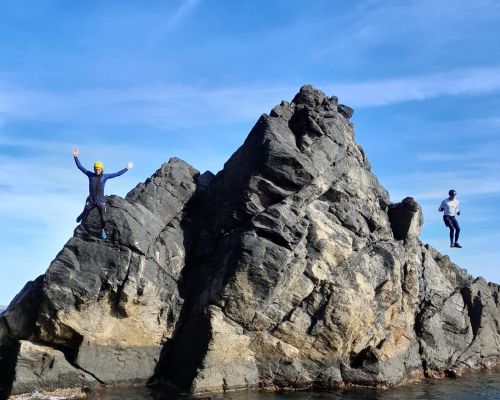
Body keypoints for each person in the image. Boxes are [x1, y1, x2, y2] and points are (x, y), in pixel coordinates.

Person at [73, 147, 134, 239]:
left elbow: (117, 174)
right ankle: (82, 215)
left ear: (102, 169)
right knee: (84, 216)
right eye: (96, 169)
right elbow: (80, 167)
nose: (97, 170)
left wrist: (126, 168)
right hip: (91, 199)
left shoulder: (105, 177)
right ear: (94, 169)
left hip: (100, 200)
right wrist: (75, 157)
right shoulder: (90, 175)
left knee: (103, 218)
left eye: (99, 169)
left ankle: (103, 231)